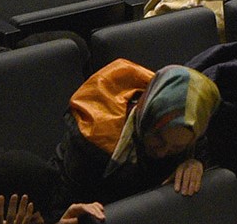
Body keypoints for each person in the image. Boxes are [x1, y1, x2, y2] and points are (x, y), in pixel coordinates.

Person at [58, 60, 220, 204]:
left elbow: (203, 155)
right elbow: (61, 209)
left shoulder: (191, 130)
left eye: (177, 148)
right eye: (158, 138)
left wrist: (197, 163)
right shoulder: (90, 141)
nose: (162, 153)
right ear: (145, 115)